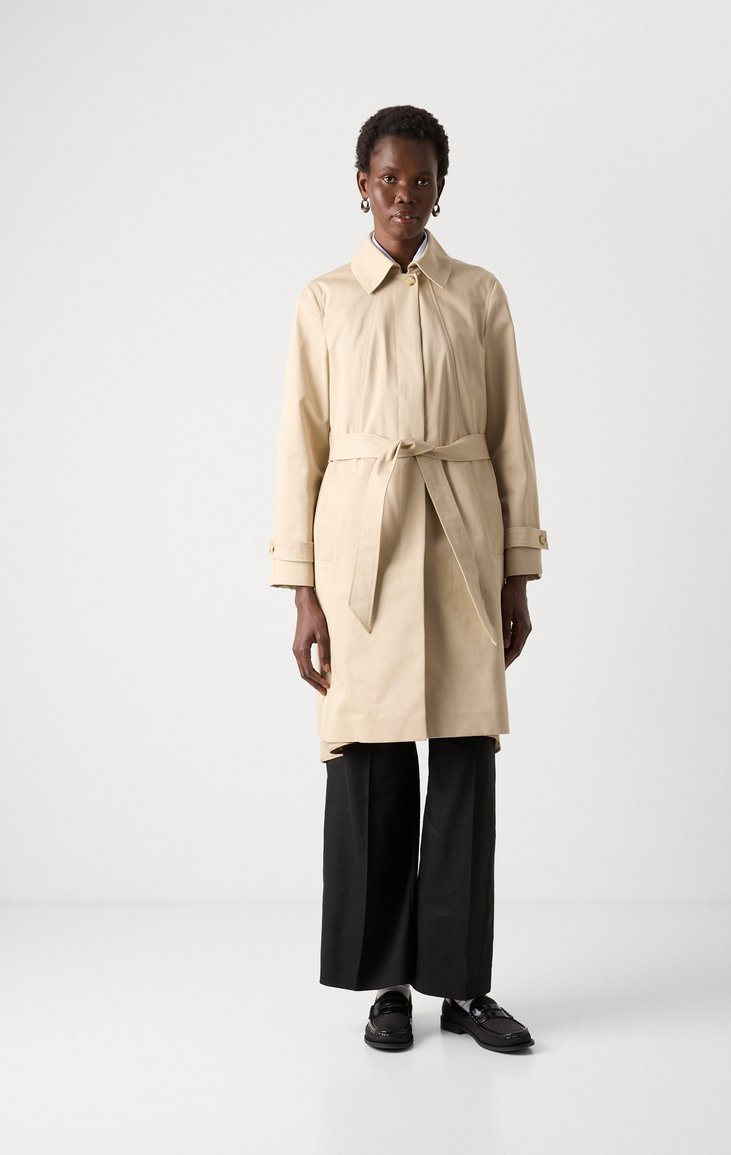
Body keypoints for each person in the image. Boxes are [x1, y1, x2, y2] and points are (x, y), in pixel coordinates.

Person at [268, 105, 548, 1053]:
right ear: (362, 184)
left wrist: (517, 573)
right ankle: (386, 983)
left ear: (439, 188)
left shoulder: (479, 294)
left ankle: (463, 989)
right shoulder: (324, 301)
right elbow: (300, 449)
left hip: (464, 548)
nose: (404, 195)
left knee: (465, 762)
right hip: (365, 555)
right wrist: (303, 591)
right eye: (388, 178)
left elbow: (510, 437)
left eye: (421, 179)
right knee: (373, 764)